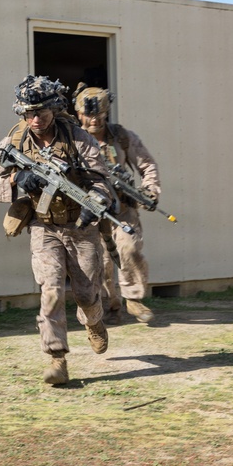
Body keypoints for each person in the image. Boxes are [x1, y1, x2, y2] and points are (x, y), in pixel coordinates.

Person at [0, 76, 113, 385]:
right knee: (50, 291)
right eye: (28, 113)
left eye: (41, 112)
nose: (35, 119)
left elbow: (102, 179)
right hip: (43, 226)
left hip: (81, 226)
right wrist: (17, 181)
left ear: (54, 109)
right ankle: (57, 359)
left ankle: (94, 321)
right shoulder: (14, 142)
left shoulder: (78, 138)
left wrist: (97, 200)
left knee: (85, 292)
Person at [72, 85, 160, 325]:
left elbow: (147, 164)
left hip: (122, 209)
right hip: (90, 211)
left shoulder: (122, 137)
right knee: (101, 262)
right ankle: (110, 306)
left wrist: (150, 189)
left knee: (129, 250)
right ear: (78, 114)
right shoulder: (70, 140)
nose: (93, 120)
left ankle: (133, 299)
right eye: (88, 115)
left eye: (99, 115)